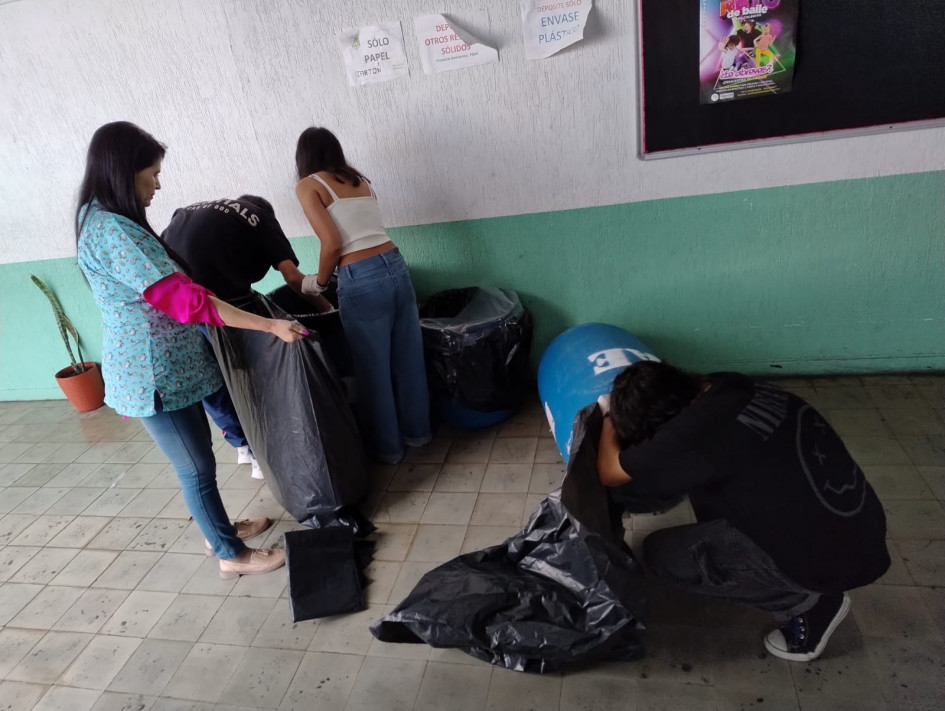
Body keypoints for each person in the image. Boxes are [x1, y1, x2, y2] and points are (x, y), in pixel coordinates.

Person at [76, 121, 306, 578]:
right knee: (195, 466)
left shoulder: (106, 219)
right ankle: (229, 554)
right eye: (151, 176)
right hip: (153, 375)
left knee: (199, 456)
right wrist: (270, 325)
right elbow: (187, 302)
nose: (158, 185)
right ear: (123, 173)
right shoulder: (112, 231)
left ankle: (218, 529)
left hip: (169, 368)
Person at [596, 361, 890, 662]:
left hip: (828, 563)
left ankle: (811, 606)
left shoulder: (694, 433)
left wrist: (608, 414)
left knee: (663, 555)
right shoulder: (729, 383)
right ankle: (774, 568)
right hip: (858, 524)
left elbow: (609, 471)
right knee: (697, 478)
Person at [162, 195, 331, 480]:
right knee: (248, 376)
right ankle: (260, 452)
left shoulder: (189, 213)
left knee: (212, 383)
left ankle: (242, 446)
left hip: (176, 308)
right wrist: (327, 308)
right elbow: (293, 278)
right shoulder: (261, 218)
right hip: (219, 307)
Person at [293, 126, 431, 465]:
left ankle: (389, 450)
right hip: (396, 266)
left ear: (303, 158)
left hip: (362, 279)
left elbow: (333, 244)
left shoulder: (308, 185)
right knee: (408, 360)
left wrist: (320, 284)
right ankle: (419, 435)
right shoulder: (360, 180)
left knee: (373, 371)